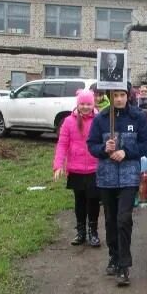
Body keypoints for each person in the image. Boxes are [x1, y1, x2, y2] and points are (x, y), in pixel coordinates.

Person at [87, 82, 147, 286]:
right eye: (115, 95)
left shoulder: (138, 117)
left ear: (128, 96)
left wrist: (127, 152)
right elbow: (91, 145)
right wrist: (103, 149)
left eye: (122, 95)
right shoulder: (101, 118)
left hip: (128, 176)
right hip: (106, 177)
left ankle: (124, 266)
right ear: (110, 95)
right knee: (110, 219)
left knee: (123, 219)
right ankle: (114, 256)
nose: (118, 99)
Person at [53, 89, 101, 247]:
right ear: (78, 104)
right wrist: (58, 165)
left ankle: (93, 231)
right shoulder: (68, 121)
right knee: (79, 201)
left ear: (93, 104)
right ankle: (80, 232)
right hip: (76, 169)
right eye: (82, 104)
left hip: (95, 168)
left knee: (93, 201)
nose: (85, 107)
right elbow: (62, 144)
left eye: (88, 104)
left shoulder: (99, 119)